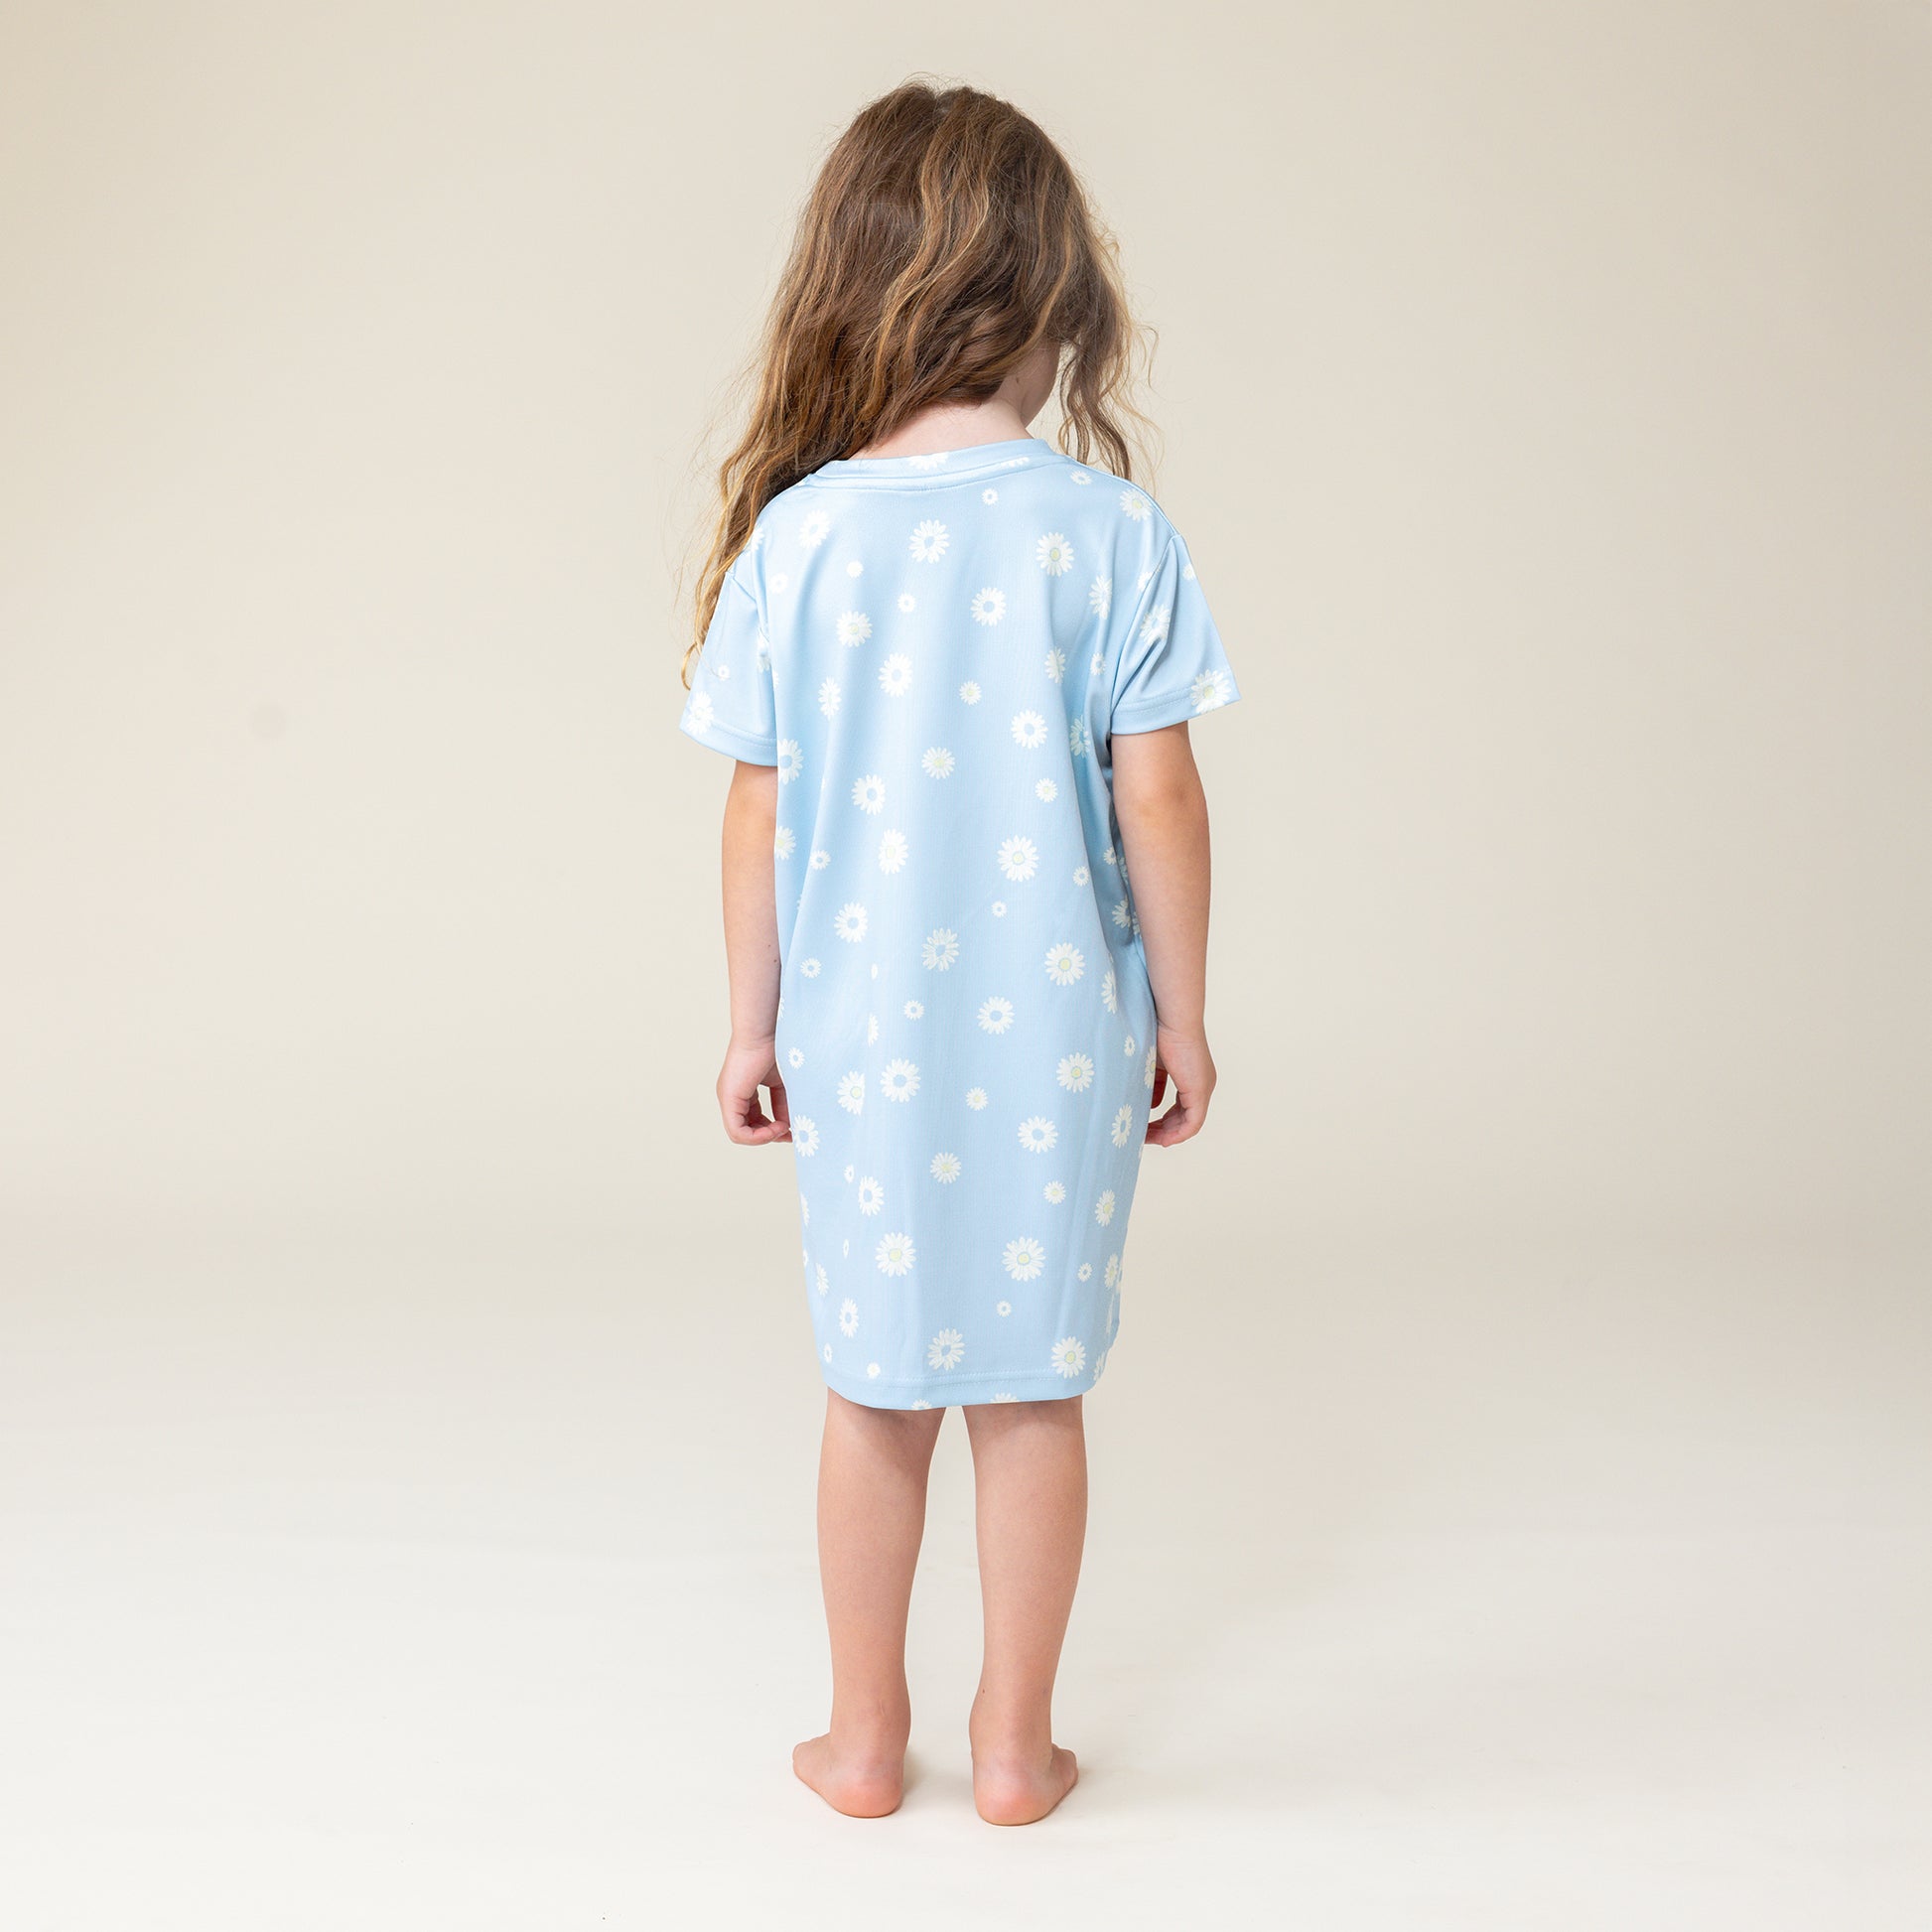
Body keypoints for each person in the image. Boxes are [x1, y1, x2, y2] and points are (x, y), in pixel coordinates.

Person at [679, 79, 1240, 1825]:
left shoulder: (800, 536)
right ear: (1061, 299)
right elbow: (1160, 796)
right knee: (1030, 1390)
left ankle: (862, 1743)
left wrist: (749, 1026)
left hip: (856, 1039)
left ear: (848, 293)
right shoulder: (1111, 534)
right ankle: (1012, 1748)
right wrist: (1185, 1014)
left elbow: (758, 811)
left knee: (873, 1390)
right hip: (1061, 1043)